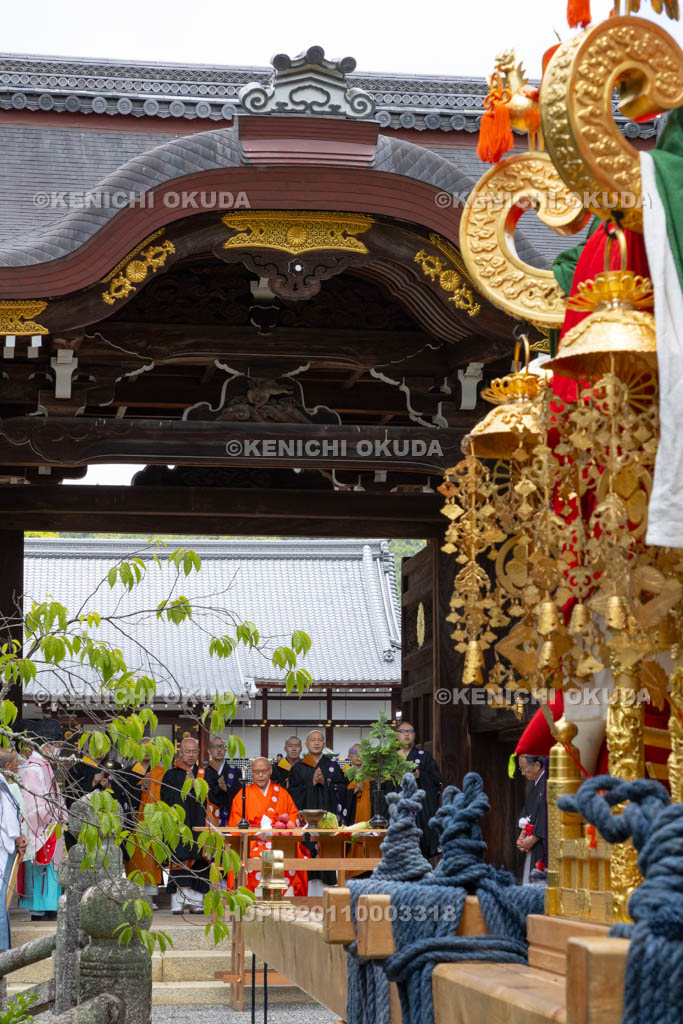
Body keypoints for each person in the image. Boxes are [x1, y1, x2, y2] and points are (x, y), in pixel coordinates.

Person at [228, 758, 307, 896]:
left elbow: (293, 817)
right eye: (256, 772)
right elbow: (236, 821)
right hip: (252, 841)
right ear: (251, 773)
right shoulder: (243, 794)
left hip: (278, 839)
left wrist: (277, 831)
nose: (260, 775)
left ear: (270, 771)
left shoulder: (282, 793)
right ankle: (247, 898)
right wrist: (255, 834)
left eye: (264, 771)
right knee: (242, 857)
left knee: (295, 856)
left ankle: (286, 898)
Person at [17, 722, 66, 921]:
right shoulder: (32, 768)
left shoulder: (44, 766)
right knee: (40, 868)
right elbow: (32, 804)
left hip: (51, 824)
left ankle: (48, 906)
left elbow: (54, 796)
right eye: (56, 744)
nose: (58, 749)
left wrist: (60, 812)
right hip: (41, 826)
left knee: (49, 868)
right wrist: (54, 811)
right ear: (46, 745)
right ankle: (38, 908)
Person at [160, 737, 210, 914]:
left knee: (199, 860)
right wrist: (184, 787)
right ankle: (178, 902)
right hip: (179, 825)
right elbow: (164, 799)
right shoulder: (171, 775)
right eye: (187, 751)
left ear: (198, 752)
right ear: (180, 752)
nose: (190, 755)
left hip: (199, 823)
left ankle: (197, 902)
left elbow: (214, 798)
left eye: (194, 751)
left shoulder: (205, 773)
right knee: (180, 858)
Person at [393, 721, 442, 859]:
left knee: (419, 844)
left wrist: (421, 775)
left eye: (410, 731)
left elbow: (436, 780)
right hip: (397, 808)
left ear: (414, 735)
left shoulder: (424, 756)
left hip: (418, 810)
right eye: (403, 731)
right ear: (397, 735)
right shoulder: (391, 758)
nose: (407, 734)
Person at [125, 738, 164, 908]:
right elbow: (123, 793)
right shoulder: (129, 772)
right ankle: (135, 894)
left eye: (151, 748)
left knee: (151, 857)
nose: (147, 752)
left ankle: (150, 896)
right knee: (135, 857)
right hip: (135, 820)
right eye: (143, 748)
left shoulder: (161, 772)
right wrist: (140, 788)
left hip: (153, 820)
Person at [0, 749, 27, 949]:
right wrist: (19, 838)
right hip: (4, 848)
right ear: (8, 766)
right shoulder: (3, 786)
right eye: (16, 763)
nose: (18, 767)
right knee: (2, 895)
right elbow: (9, 819)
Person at [288, 730, 349, 820]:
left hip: (328, 815)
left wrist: (326, 783)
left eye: (319, 740)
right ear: (306, 744)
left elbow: (343, 788)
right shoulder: (298, 768)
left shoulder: (333, 766)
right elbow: (293, 792)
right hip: (306, 818)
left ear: (323, 744)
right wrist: (312, 783)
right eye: (313, 740)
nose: (316, 743)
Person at [516, 754, 547, 884]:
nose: (522, 773)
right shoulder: (536, 785)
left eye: (524, 768)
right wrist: (522, 837)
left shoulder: (546, 782)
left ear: (537, 765)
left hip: (541, 842)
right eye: (520, 769)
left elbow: (545, 814)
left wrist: (533, 839)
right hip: (531, 840)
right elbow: (529, 814)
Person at [201, 736, 242, 826]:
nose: (219, 750)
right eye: (215, 747)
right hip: (209, 819)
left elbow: (240, 797)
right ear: (209, 751)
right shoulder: (203, 772)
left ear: (225, 750)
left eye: (221, 746)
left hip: (230, 818)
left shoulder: (235, 771)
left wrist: (226, 789)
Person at [345, 744, 371, 824]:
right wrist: (354, 790)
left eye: (361, 752)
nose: (358, 755)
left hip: (367, 812)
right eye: (354, 752)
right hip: (351, 814)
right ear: (349, 756)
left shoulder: (372, 775)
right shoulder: (344, 775)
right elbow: (340, 796)